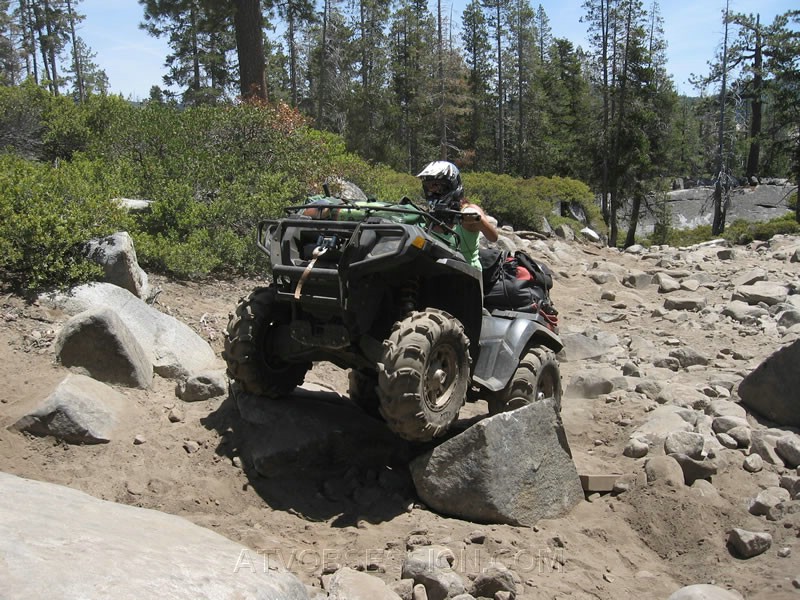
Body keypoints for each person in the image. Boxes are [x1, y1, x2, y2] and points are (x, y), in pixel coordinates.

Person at [416, 160, 498, 269]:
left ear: (451, 185)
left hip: (466, 275)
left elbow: (493, 237)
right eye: (428, 186)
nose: (432, 190)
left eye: (436, 185)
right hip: (434, 273)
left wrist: (478, 220)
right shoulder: (429, 215)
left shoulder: (467, 210)